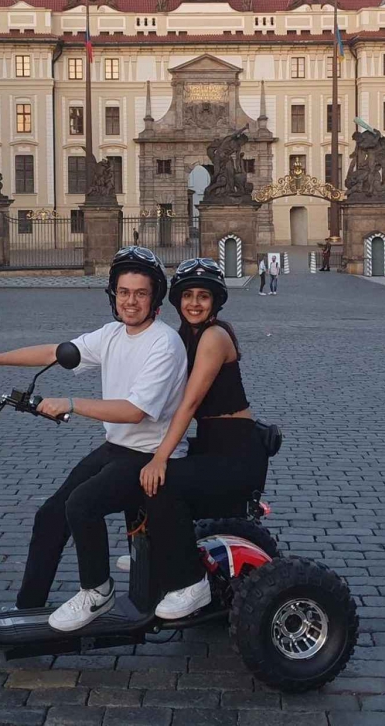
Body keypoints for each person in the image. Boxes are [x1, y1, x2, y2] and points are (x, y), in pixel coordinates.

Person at [0, 247, 187, 632]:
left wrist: (71, 403)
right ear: (113, 296)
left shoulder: (164, 344)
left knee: (82, 505)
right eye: (123, 292)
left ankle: (97, 591)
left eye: (140, 293)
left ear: (155, 299)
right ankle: (26, 613)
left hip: (150, 454)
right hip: (117, 448)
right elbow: (57, 352)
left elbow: (135, 411)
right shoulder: (113, 334)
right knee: (51, 514)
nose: (130, 301)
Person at [138, 258, 270, 620]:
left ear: (216, 302)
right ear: (178, 299)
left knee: (161, 482)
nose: (195, 303)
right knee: (135, 467)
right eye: (188, 296)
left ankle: (189, 581)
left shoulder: (214, 336)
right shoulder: (183, 337)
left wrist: (161, 455)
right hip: (212, 444)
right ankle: (165, 547)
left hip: (236, 452)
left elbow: (189, 401)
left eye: (204, 296)